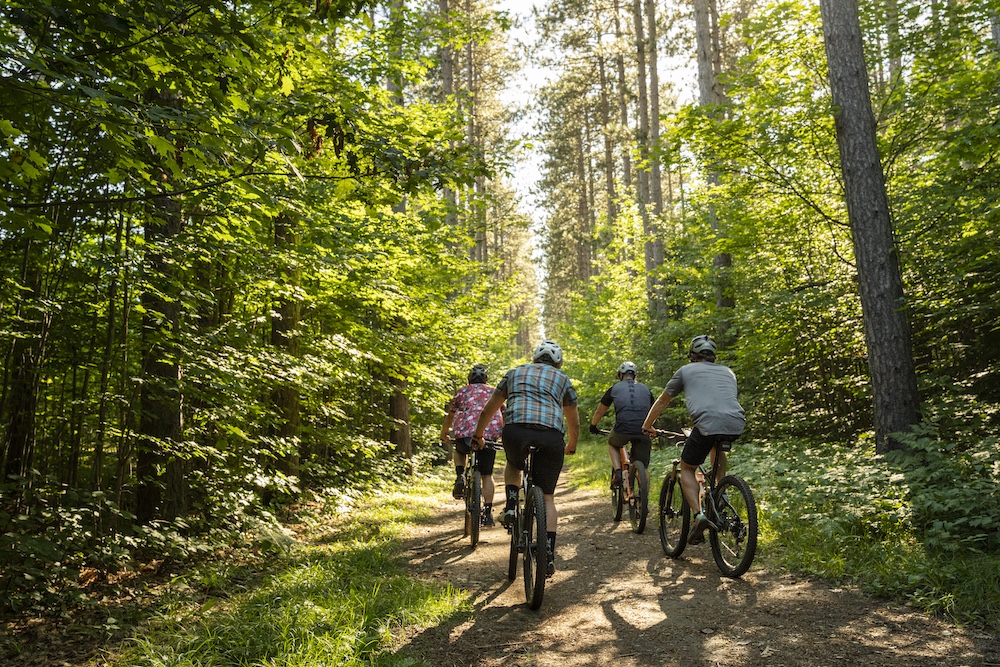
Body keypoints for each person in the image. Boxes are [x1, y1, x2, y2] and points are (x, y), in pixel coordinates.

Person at [472, 340, 579, 577]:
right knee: (548, 497)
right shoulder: (563, 379)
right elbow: (573, 419)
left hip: (516, 430)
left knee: (514, 464)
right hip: (551, 436)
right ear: (558, 362)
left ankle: (511, 505)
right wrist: (571, 444)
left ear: (534, 358)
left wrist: (478, 435)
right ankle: (548, 551)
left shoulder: (514, 373)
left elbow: (489, 408)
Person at [641, 335, 745, 545]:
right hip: (736, 422)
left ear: (692, 356)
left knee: (687, 468)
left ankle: (699, 516)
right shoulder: (728, 372)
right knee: (717, 445)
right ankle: (720, 493)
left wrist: (647, 425)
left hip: (706, 424)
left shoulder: (685, 371)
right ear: (713, 356)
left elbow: (662, 401)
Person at [441, 364, 504, 527]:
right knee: (487, 475)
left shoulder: (462, 391)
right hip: (488, 436)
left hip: (465, 434)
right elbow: (503, 413)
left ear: (469, 379)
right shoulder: (493, 391)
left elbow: (451, 414)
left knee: (460, 451)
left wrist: (444, 433)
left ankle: (460, 474)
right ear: (486, 379)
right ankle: (488, 512)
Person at [589, 361, 655, 489]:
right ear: (635, 375)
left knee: (612, 444)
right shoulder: (646, 389)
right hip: (644, 430)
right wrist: (652, 428)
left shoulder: (614, 389)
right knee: (643, 466)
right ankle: (643, 500)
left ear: (620, 375)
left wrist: (593, 425)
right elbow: (653, 410)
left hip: (622, 429)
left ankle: (618, 471)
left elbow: (600, 411)